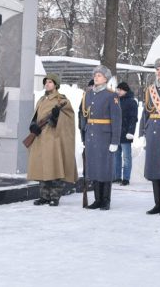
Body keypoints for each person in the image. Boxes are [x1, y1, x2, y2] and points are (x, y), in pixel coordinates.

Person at [27, 73, 76, 206]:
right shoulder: (42, 100)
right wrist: (33, 127)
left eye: (50, 82)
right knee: (42, 167)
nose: (47, 84)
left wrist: (55, 118)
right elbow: (35, 116)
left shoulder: (62, 100)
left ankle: (54, 197)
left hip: (54, 139)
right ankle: (44, 196)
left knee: (54, 167)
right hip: (40, 138)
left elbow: (68, 120)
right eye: (46, 82)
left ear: (56, 84)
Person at [79, 65, 121, 210]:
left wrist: (115, 140)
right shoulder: (89, 94)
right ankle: (97, 199)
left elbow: (117, 119)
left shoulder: (111, 95)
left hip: (105, 136)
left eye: (99, 75)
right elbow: (84, 116)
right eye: (95, 75)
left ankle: (105, 200)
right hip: (91, 134)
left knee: (105, 168)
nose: (96, 77)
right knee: (94, 168)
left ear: (105, 79)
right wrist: (84, 136)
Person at [139, 58, 160, 215]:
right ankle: (157, 203)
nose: (159, 72)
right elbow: (145, 112)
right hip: (152, 132)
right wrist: (142, 132)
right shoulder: (150, 90)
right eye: (157, 69)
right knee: (154, 169)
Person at [113, 81, 138, 186]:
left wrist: (130, 132)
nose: (118, 91)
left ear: (125, 90)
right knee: (116, 156)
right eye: (118, 89)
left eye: (120, 89)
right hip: (116, 133)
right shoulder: (115, 100)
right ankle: (117, 176)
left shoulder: (132, 102)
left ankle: (126, 178)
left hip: (126, 133)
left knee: (126, 157)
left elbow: (133, 118)